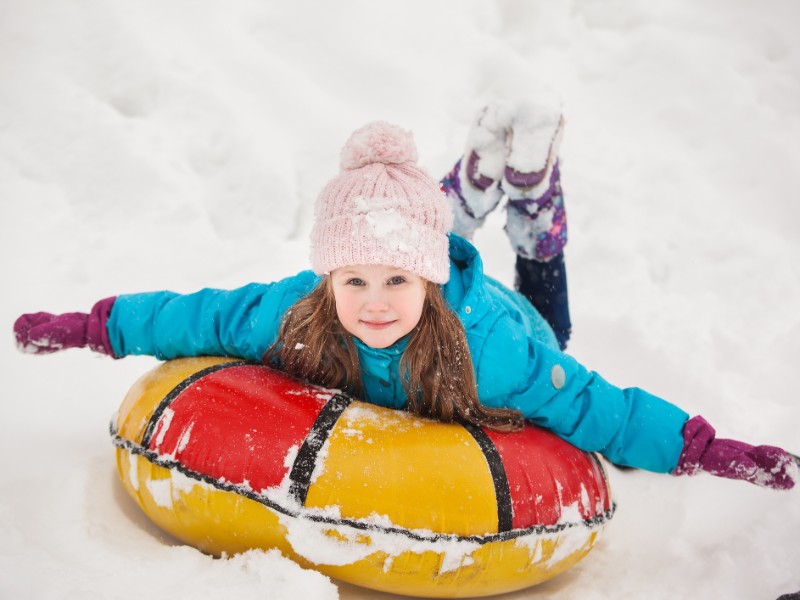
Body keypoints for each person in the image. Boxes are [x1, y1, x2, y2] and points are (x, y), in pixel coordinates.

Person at [13, 114, 797, 491]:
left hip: (517, 317)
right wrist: (94, 326)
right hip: (437, 253)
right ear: (326, 280)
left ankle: (530, 199)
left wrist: (704, 447)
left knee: (548, 298)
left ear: (426, 282)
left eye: (397, 282)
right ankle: (470, 186)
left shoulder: (498, 355)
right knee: (407, 232)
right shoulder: (294, 312)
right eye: (353, 281)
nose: (375, 304)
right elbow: (201, 313)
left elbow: (604, 409)